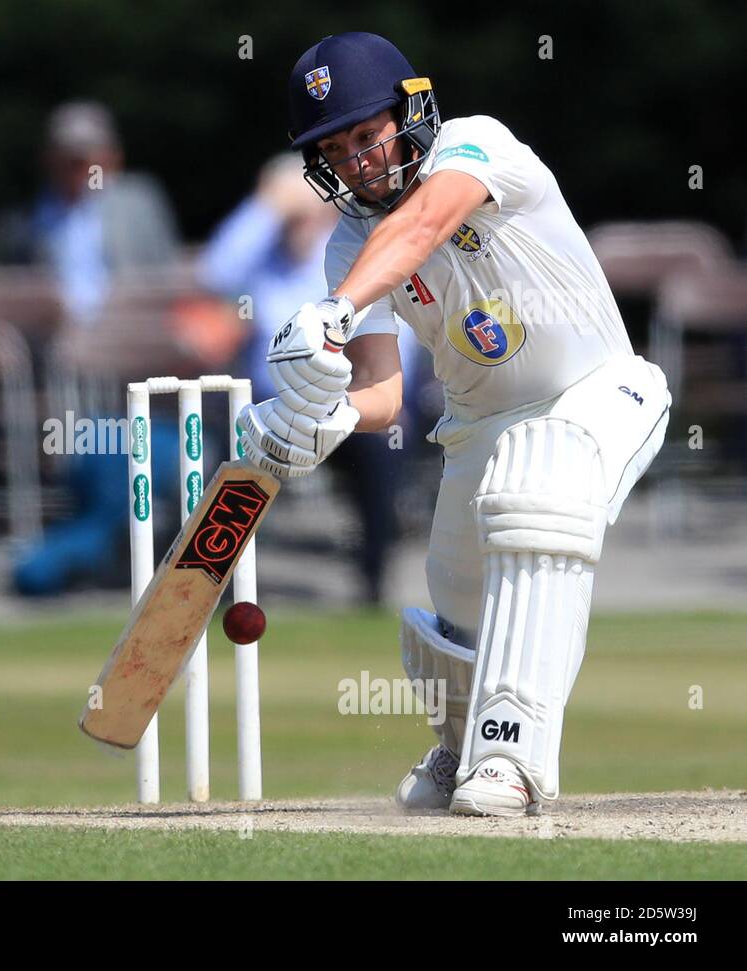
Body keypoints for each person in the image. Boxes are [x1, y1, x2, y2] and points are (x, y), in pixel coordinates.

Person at [238, 32, 670, 816]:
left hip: (601, 392)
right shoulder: (348, 244)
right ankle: (463, 740)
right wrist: (322, 418)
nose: (357, 163)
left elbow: (421, 229)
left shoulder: (477, 144)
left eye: (367, 137)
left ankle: (510, 755)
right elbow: (383, 394)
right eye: (334, 150)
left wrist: (333, 310)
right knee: (456, 601)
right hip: (479, 427)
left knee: (544, 486)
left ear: (412, 112)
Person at [198, 154, 400, 603]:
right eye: (288, 215)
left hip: (341, 404)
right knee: (226, 458)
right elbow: (211, 273)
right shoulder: (259, 262)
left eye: (305, 210)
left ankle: (373, 580)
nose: (298, 223)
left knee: (383, 448)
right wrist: (267, 207)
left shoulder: (347, 252)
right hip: (266, 408)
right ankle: (214, 581)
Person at [0, 101, 181, 321]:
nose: (77, 168)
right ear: (48, 159)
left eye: (85, 158)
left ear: (112, 158)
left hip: (128, 329)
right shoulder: (20, 222)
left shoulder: (139, 203)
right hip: (56, 335)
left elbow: (165, 274)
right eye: (68, 159)